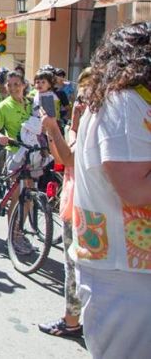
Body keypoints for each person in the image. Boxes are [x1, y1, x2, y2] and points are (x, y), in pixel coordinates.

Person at [71, 22, 151, 358]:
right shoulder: (124, 101)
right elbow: (133, 187)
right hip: (125, 272)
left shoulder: (122, 99)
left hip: (127, 268)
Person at [37, 68, 91, 339]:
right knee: (74, 265)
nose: (80, 103)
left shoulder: (96, 123)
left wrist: (55, 128)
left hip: (86, 203)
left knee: (77, 264)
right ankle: (73, 318)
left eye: (86, 97)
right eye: (78, 96)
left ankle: (73, 323)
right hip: (74, 199)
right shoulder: (83, 122)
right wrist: (53, 130)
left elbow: (70, 159)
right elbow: (60, 156)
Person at [0, 70, 34, 254]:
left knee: (29, 196)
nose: (14, 88)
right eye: (10, 84)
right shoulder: (4, 106)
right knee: (17, 198)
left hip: (32, 154)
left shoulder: (31, 103)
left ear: (24, 85)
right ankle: (12, 237)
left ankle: (18, 232)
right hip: (14, 154)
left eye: (17, 84)